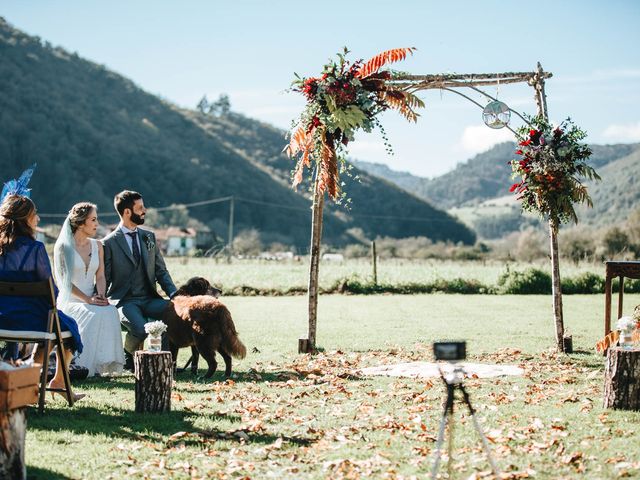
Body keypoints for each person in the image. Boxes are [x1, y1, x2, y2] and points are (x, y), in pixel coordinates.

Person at [0, 194, 84, 401]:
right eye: (34, 214)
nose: (37, 219)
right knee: (66, 326)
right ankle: (50, 382)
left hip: (2, 319)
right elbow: (51, 294)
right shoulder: (36, 249)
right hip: (34, 320)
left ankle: (33, 385)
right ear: (24, 220)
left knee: (55, 324)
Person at [102, 190, 177, 371]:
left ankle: (165, 364)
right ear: (127, 212)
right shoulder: (109, 243)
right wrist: (99, 298)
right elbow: (104, 276)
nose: (145, 210)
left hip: (150, 298)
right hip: (125, 301)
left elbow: (161, 270)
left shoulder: (149, 237)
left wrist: (174, 293)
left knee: (173, 313)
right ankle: (127, 355)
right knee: (141, 328)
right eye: (140, 208)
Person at [54, 202, 124, 376]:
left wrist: (100, 295)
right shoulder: (63, 247)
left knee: (110, 311)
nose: (96, 224)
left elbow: (100, 276)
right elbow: (65, 282)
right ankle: (82, 365)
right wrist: (87, 300)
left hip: (92, 298)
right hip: (70, 300)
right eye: (93, 220)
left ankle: (102, 366)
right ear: (80, 223)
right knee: (94, 314)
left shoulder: (97, 245)